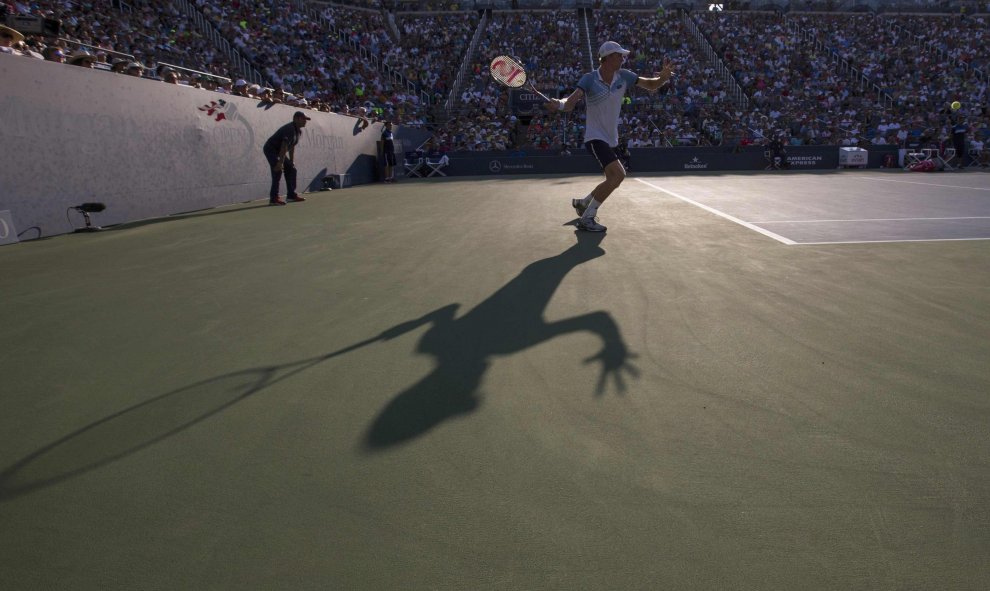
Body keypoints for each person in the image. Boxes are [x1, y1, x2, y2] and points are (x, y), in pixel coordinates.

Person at [547, 41, 674, 232]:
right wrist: (559, 103)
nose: (622, 58)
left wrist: (663, 79)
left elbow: (650, 84)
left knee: (611, 180)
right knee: (619, 175)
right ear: (607, 58)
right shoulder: (589, 79)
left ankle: (584, 203)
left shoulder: (624, 76)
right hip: (595, 137)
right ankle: (587, 218)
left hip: (611, 139)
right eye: (618, 55)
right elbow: (571, 102)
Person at [262, 111, 310, 206]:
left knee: (292, 169)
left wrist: (291, 161)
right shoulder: (289, 129)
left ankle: (291, 196)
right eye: (303, 119)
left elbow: (291, 146)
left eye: (306, 119)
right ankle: (274, 199)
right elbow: (284, 146)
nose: (305, 121)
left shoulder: (299, 131)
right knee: (278, 170)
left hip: (279, 151)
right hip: (271, 149)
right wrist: (280, 163)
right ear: (296, 119)